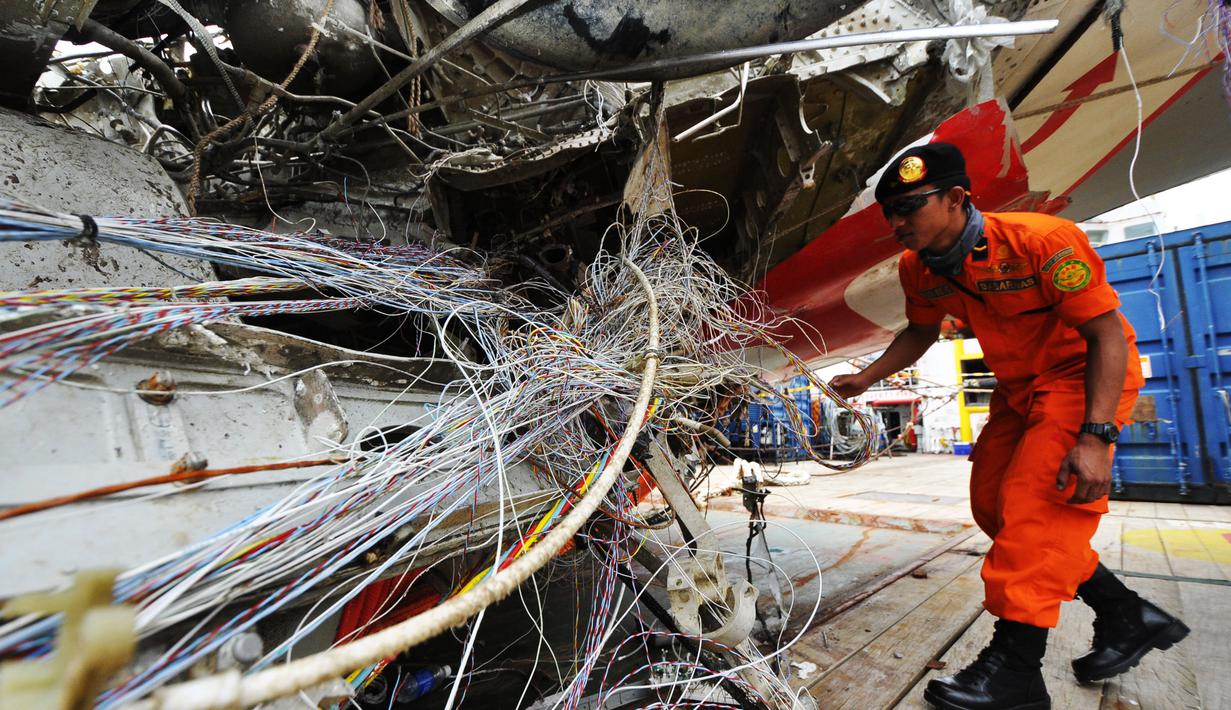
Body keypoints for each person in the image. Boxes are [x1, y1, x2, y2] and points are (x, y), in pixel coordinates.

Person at [829, 143, 1189, 710]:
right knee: (995, 508)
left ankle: (1015, 672)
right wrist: (867, 377)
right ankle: (1126, 615)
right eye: (890, 212)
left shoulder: (1041, 241)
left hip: (1080, 378)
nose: (898, 223)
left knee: (1036, 510)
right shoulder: (916, 266)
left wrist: (1095, 438)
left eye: (911, 207)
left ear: (956, 199)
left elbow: (1107, 336)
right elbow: (921, 331)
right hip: (1021, 391)